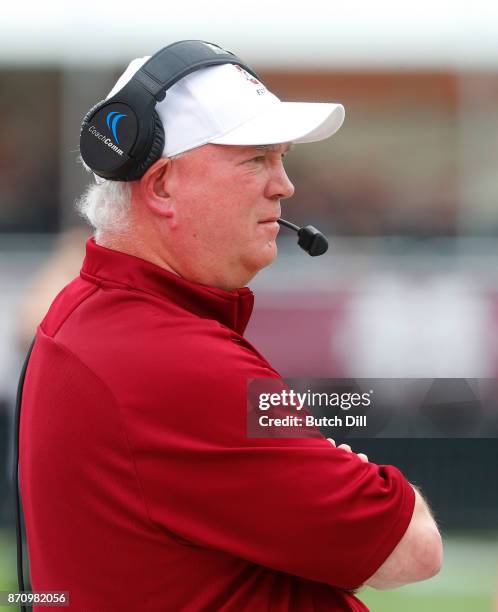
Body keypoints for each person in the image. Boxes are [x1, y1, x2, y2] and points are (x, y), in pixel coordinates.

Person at [19, 42, 442, 611]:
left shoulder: (99, 316)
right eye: (256, 159)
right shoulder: (173, 359)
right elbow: (412, 548)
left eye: (282, 158)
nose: (284, 185)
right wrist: (350, 472)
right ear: (163, 186)